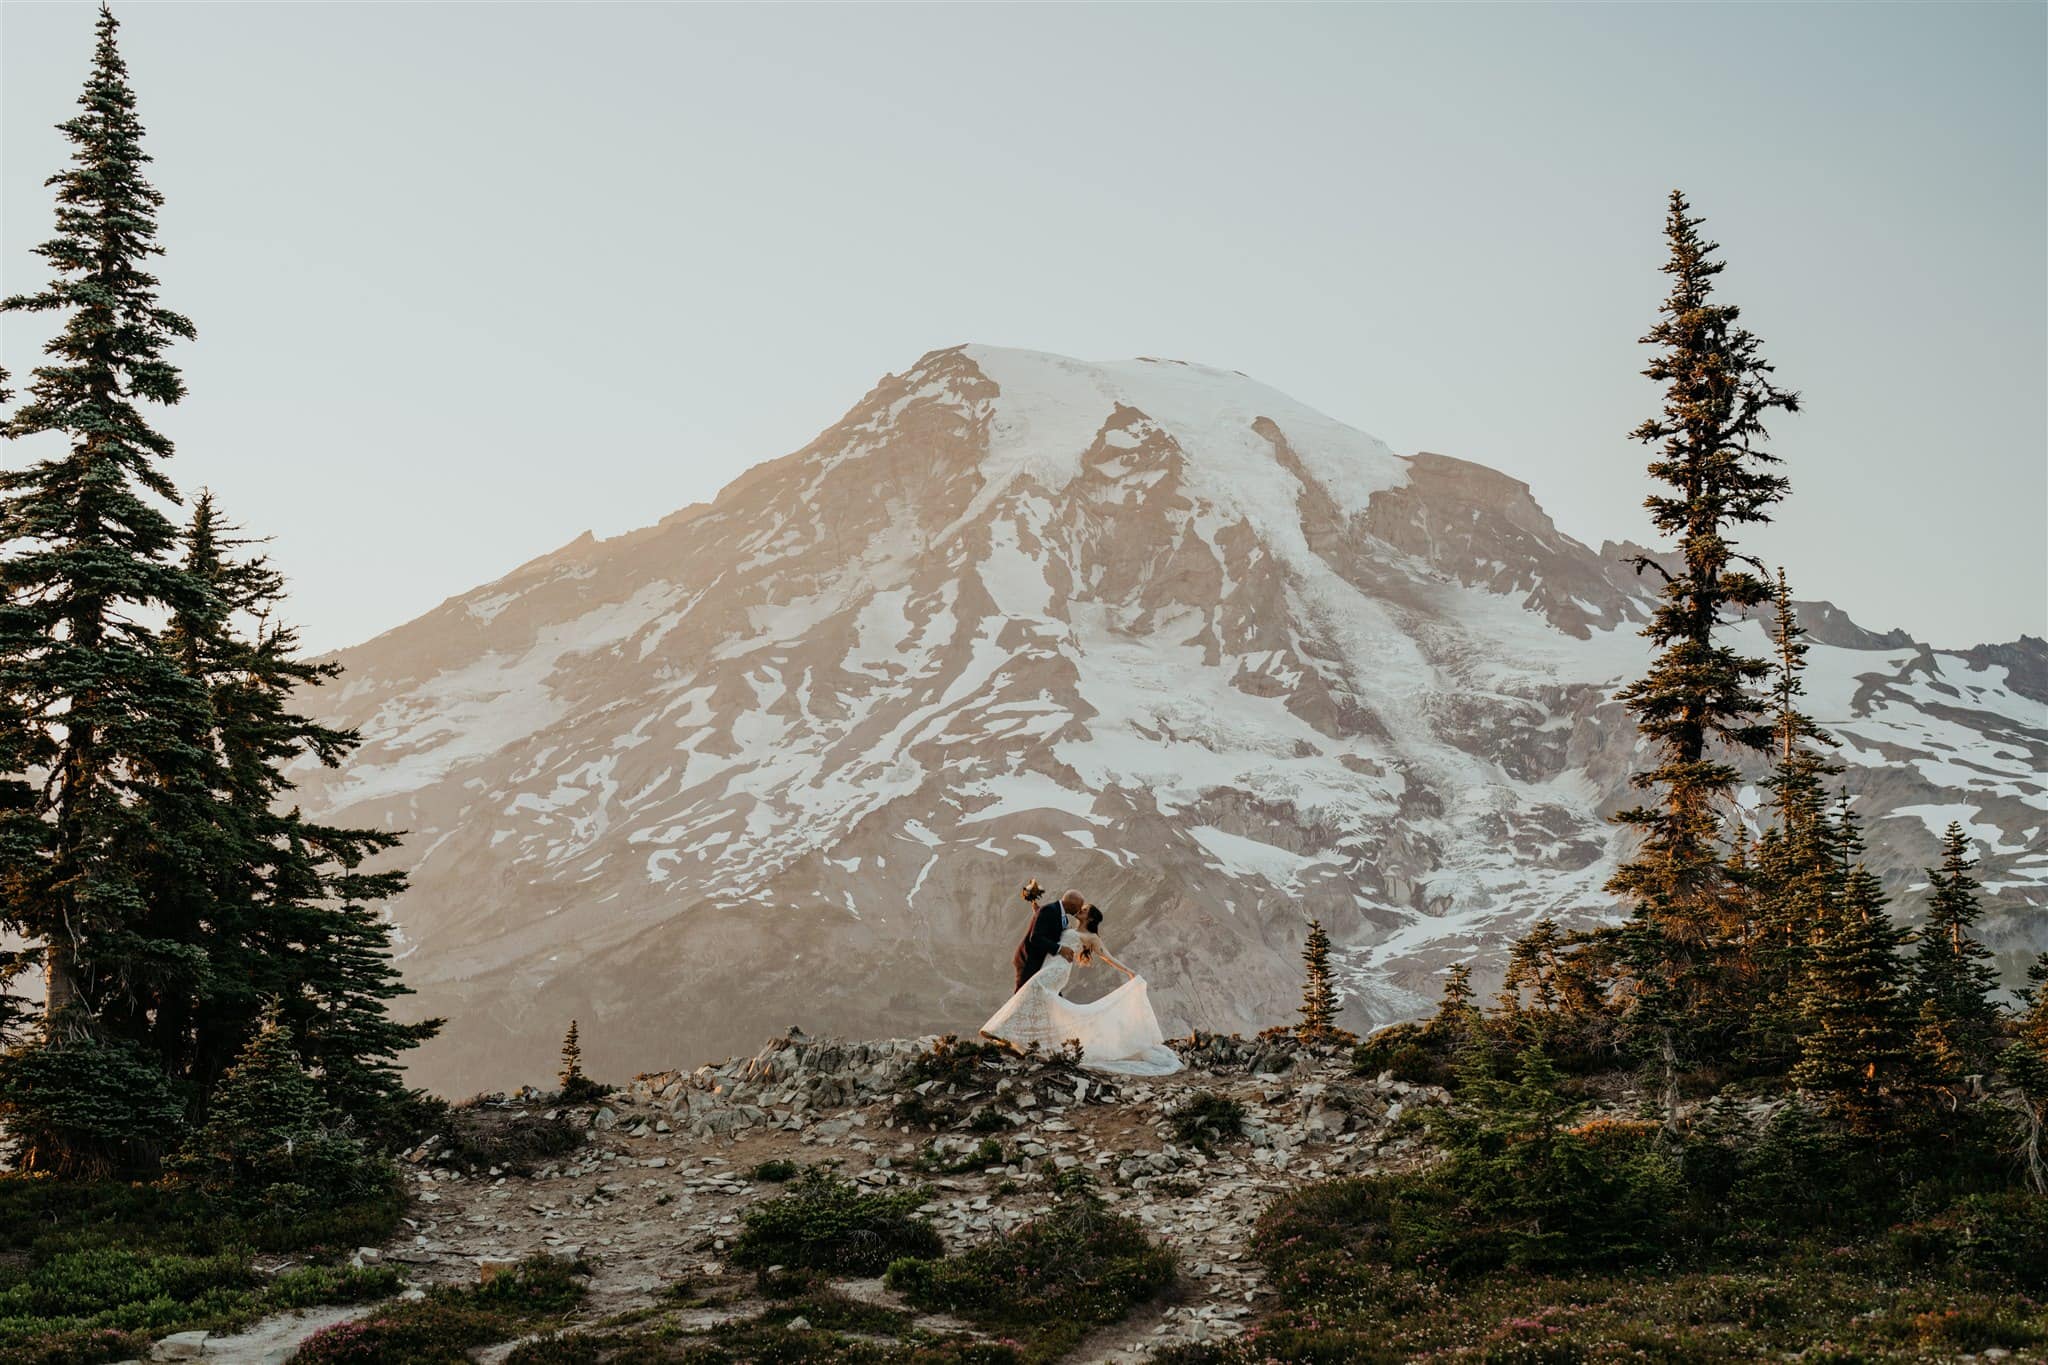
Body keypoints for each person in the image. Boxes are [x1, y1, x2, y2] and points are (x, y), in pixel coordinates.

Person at [983, 889, 1181, 1076]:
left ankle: (1001, 1031)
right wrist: (1037, 911)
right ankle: (1027, 1041)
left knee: (1032, 990)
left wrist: (1129, 972)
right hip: (1048, 966)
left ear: (1090, 918)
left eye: (1084, 910)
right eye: (1081, 907)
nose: (1080, 910)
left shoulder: (1091, 937)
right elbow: (1049, 929)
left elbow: (1107, 956)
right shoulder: (1067, 926)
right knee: (1041, 1000)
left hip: (1058, 971)